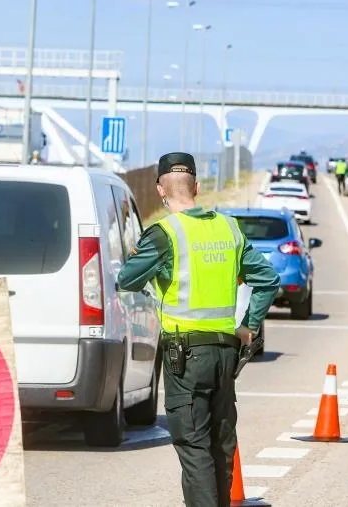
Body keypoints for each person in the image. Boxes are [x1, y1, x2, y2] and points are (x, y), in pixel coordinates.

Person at [116, 152, 280, 507]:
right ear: (198, 187)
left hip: (185, 356)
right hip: (224, 353)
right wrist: (248, 325)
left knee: (194, 447)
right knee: (221, 444)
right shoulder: (229, 228)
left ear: (161, 190)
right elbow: (267, 279)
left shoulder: (164, 234)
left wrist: (149, 267)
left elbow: (126, 280)